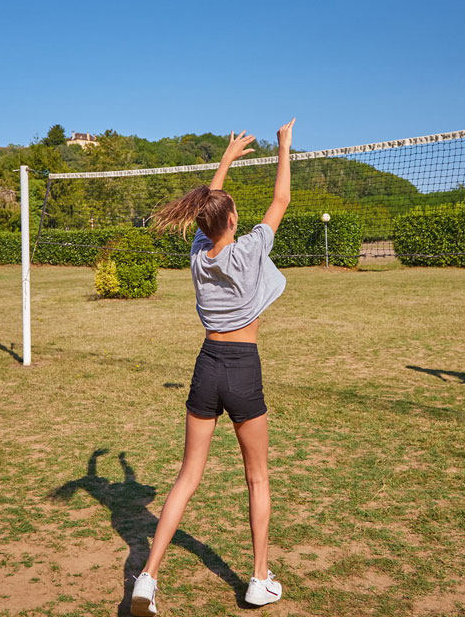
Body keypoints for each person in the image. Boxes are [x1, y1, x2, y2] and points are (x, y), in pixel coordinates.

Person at [130, 119, 296, 616]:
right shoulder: (249, 249)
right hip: (243, 367)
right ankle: (259, 579)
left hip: (206, 366)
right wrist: (284, 146)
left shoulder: (199, 255)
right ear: (232, 221)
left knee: (186, 477)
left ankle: (147, 578)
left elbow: (212, 206)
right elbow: (281, 200)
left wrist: (224, 161)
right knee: (258, 479)